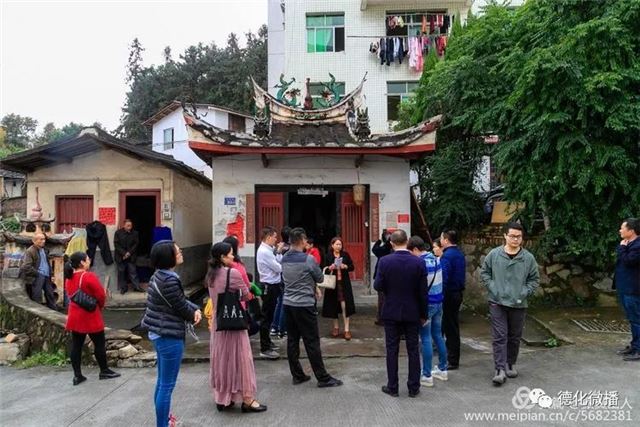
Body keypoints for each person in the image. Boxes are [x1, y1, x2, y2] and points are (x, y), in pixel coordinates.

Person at [142, 240, 202, 427]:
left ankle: (165, 420)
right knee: (167, 386)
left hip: (159, 332)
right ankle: (163, 424)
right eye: (177, 251)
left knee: (162, 382)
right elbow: (181, 306)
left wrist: (195, 308)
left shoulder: (159, 276)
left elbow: (179, 300)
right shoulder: (169, 279)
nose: (180, 252)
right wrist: (194, 313)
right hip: (168, 335)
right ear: (169, 257)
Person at [207, 242, 267, 413]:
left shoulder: (210, 275)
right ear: (222, 257)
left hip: (219, 322)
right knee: (241, 360)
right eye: (231, 254)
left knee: (222, 360)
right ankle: (247, 399)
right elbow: (247, 295)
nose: (233, 256)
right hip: (234, 323)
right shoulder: (232, 273)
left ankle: (223, 398)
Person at [282, 227, 343, 388]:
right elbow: (320, 277)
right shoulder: (308, 259)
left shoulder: (284, 258)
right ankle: (322, 377)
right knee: (312, 341)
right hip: (304, 304)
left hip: (288, 303)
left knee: (292, 340)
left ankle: (297, 375)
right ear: (302, 241)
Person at [480, 222, 539, 385]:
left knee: (514, 336)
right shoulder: (494, 255)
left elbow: (534, 279)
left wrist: (524, 292)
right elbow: (484, 273)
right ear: (505, 236)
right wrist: (493, 288)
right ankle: (499, 369)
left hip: (519, 303)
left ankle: (510, 363)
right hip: (497, 302)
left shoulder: (527, 258)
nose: (515, 239)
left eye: (519, 236)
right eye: (512, 236)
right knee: (500, 336)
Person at [374, 230, 428, 398]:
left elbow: (377, 286)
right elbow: (423, 292)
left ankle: (393, 386)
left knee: (392, 350)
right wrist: (424, 314)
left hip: (391, 310)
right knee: (413, 349)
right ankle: (413, 387)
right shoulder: (419, 262)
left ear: (391, 243)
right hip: (413, 311)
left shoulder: (384, 261)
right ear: (407, 241)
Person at [64, 251, 120, 386]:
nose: (89, 261)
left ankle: (77, 375)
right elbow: (101, 295)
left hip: (75, 316)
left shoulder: (69, 278)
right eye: (87, 259)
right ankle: (104, 370)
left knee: (76, 346)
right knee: (99, 344)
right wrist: (100, 306)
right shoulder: (88, 276)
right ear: (82, 263)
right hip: (90, 315)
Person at [408, 236, 447, 388]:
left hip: (427, 304)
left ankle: (427, 375)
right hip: (439, 302)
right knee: (438, 335)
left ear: (415, 249)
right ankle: (443, 369)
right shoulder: (437, 260)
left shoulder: (420, 263)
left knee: (425, 338)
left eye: (411, 252)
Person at [614, 218, 640, 362]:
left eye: (622, 228)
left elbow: (629, 261)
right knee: (632, 318)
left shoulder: (638, 246)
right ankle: (634, 345)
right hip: (626, 287)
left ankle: (638, 349)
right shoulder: (629, 244)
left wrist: (622, 248)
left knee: (636, 319)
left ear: (631, 230)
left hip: (633, 289)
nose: (620, 230)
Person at [440, 229, 465, 370]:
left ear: (446, 240)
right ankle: (451, 357)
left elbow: (444, 277)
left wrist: (440, 295)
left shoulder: (447, 256)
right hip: (458, 293)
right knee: (452, 325)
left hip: (449, 294)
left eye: (441, 238)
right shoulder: (459, 254)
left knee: (450, 327)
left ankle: (452, 360)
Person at [256, 226, 283, 360]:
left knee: (270, 315)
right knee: (266, 317)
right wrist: (279, 258)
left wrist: (278, 252)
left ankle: (267, 341)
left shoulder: (269, 249)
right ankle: (265, 347)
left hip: (273, 285)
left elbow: (278, 261)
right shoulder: (265, 251)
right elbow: (278, 267)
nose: (276, 240)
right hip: (269, 286)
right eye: (275, 237)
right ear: (268, 237)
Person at [322, 237, 356, 340]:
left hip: (343, 283)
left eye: (340, 244)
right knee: (333, 306)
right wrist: (330, 268)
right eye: (336, 244)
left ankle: (346, 329)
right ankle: (336, 327)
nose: (338, 246)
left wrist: (345, 266)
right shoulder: (328, 256)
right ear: (332, 245)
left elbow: (352, 266)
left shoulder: (345, 255)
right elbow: (323, 269)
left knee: (345, 306)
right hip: (333, 284)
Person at [20, 233, 58, 310]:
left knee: (50, 295)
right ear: (34, 241)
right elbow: (26, 266)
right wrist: (37, 273)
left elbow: (47, 263)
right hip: (37, 276)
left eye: (44, 239)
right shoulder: (30, 251)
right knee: (37, 296)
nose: (43, 241)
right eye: (41, 239)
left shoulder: (44, 250)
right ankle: (37, 313)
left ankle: (54, 312)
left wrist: (51, 274)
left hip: (46, 275)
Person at [114, 219, 142, 294]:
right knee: (122, 272)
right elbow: (116, 245)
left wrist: (129, 253)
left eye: (131, 226)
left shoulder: (135, 233)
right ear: (124, 225)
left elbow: (136, 244)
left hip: (131, 256)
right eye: (128, 226)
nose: (130, 227)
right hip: (121, 256)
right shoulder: (118, 233)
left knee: (133, 272)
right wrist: (124, 253)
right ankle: (123, 288)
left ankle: (136, 287)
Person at [372, 229, 393, 325]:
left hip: (382, 277)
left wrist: (379, 241)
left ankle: (381, 318)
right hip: (391, 277)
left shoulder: (383, 249)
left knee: (381, 299)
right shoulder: (393, 250)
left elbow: (374, 249)